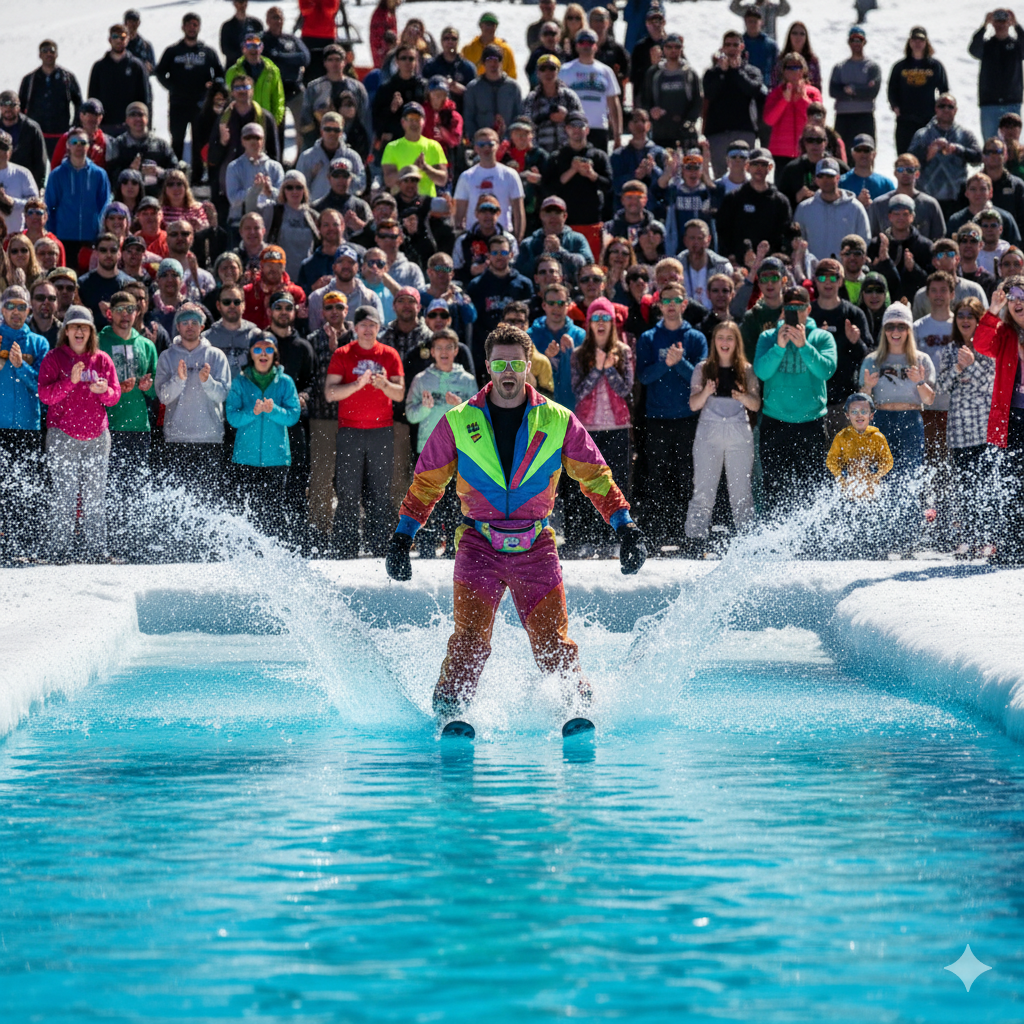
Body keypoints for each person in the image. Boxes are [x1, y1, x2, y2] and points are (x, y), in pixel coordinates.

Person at [385, 322, 646, 727]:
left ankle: (575, 710)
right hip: (478, 546)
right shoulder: (457, 421)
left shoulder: (558, 420)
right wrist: (403, 537)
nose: (508, 371)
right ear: (488, 367)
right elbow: (427, 483)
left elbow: (595, 476)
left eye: (516, 363)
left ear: (529, 367)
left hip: (536, 547)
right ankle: (450, 714)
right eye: (500, 363)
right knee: (469, 642)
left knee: (553, 644)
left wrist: (625, 526)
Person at [37, 304, 121, 563]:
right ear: (66, 331)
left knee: (95, 495)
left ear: (91, 332)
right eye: (74, 326)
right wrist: (69, 382)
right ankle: (57, 551)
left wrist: (103, 392)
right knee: (65, 494)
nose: (79, 331)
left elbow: (115, 395)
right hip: (63, 436)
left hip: (97, 437)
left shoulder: (102, 359)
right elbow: (45, 395)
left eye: (84, 327)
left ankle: (97, 551)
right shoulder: (54, 357)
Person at [323, 304, 404, 558]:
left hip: (382, 431)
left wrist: (384, 384)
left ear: (379, 328)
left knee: (380, 491)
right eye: (363, 325)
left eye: (373, 325)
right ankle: (345, 547)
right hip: (350, 431)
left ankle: (379, 545)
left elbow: (399, 393)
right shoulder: (343, 353)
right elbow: (330, 393)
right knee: (348, 491)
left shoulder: (389, 354)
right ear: (355, 328)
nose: (368, 330)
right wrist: (356, 385)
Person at [753, 285, 838, 518]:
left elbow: (826, 371)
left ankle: (812, 542)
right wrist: (779, 348)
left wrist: (804, 346)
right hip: (774, 421)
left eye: (799, 307)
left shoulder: (822, 337)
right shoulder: (768, 337)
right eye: (789, 308)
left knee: (812, 488)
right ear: (782, 310)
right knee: (774, 488)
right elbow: (761, 371)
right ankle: (774, 543)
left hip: (811, 422)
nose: (795, 312)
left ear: (808, 309)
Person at [635, 281, 707, 551]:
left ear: (684, 304)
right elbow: (643, 376)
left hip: (689, 418)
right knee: (657, 479)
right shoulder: (648, 338)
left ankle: (683, 536)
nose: (671, 305)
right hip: (657, 419)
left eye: (676, 300)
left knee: (687, 478)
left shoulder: (696, 338)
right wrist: (666, 363)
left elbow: (700, 377)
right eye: (666, 300)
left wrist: (680, 363)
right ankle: (656, 536)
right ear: (660, 305)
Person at [685, 319, 760, 545]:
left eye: (729, 338)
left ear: (736, 342)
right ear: (714, 341)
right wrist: (707, 391)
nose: (724, 342)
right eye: (721, 337)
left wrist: (742, 396)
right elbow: (694, 405)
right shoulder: (703, 367)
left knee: (741, 493)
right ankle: (695, 539)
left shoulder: (746, 369)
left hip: (738, 432)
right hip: (709, 431)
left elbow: (755, 404)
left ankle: (748, 542)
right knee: (703, 490)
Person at [568, 298, 634, 555]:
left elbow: (626, 389)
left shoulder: (624, 351)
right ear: (588, 324)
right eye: (595, 318)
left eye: (605, 318)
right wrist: (597, 368)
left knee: (616, 483)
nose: (601, 323)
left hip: (618, 426)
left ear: (613, 323)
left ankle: (615, 538)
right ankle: (587, 537)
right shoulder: (578, 354)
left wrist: (610, 369)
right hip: (588, 428)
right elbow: (579, 392)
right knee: (589, 483)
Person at [404, 328, 478, 558]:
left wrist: (462, 405)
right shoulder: (421, 379)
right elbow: (410, 415)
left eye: (449, 347)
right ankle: (426, 546)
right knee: (428, 498)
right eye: (439, 348)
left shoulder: (467, 380)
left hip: (459, 449)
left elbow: (478, 418)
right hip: (428, 448)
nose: (444, 352)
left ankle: (455, 547)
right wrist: (424, 408)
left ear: (456, 351)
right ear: (432, 352)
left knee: (457, 499)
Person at [97, 289, 158, 554]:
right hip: (105, 426)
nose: (125, 315)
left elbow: (156, 391)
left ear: (137, 312)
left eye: (130, 309)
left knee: (134, 487)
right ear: (110, 312)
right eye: (120, 309)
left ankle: (131, 542)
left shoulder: (147, 345)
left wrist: (147, 386)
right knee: (105, 486)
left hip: (138, 427)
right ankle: (106, 542)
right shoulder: (99, 341)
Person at [934, 297, 997, 556]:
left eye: (971, 315)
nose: (965, 319)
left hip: (985, 428)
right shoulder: (949, 351)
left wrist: (973, 366)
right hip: (960, 431)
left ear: (980, 320)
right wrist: (960, 366)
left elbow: (992, 385)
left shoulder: (992, 348)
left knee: (986, 487)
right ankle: (968, 539)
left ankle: (987, 538)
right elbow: (940, 389)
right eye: (961, 314)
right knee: (964, 488)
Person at [225, 331, 302, 540]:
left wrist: (273, 410)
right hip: (245, 458)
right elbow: (232, 417)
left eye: (269, 349)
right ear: (251, 352)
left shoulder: (285, 382)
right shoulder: (240, 382)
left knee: (273, 512)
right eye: (258, 349)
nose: (263, 353)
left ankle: (273, 556)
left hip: (276, 459)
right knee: (246, 511)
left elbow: (293, 416)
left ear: (275, 353)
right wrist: (254, 412)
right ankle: (247, 554)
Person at [154, 302, 232, 497]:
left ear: (202, 327)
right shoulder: (167, 356)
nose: (190, 326)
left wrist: (207, 382)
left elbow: (222, 395)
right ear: (178, 327)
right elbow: (163, 397)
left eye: (194, 322)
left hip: (209, 439)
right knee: (177, 501)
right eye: (184, 322)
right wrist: (179, 380)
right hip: (176, 440)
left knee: (208, 500)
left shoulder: (216, 356)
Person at [858, 302, 936, 486]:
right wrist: (868, 388)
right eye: (890, 326)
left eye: (901, 326)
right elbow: (861, 405)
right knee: (879, 478)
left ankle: (911, 515)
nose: (896, 331)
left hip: (910, 419)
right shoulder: (872, 360)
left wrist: (920, 382)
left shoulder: (921, 359)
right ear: (884, 330)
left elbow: (930, 400)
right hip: (881, 420)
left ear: (908, 330)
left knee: (909, 479)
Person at [0, 285, 49, 561]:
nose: (16, 312)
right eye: (11, 306)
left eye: (21, 306)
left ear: (29, 310)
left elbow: (42, 387)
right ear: (2, 309)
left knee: (27, 489)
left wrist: (21, 366)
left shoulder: (39, 344)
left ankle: (25, 546)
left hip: (28, 429)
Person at [155, 14, 225, 186]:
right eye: (188, 24)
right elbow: (159, 71)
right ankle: (174, 175)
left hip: (200, 105)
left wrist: (213, 85)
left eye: (195, 24)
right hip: (178, 103)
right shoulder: (173, 51)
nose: (192, 28)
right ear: (183, 27)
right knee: (177, 140)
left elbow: (220, 74)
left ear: (199, 27)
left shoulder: (207, 52)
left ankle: (197, 177)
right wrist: (172, 86)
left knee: (199, 142)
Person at [809, 258, 872, 436]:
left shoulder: (854, 314)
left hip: (845, 401)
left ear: (841, 281)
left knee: (845, 461)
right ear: (815, 281)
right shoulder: (808, 315)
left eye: (833, 277)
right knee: (815, 461)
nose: (827, 282)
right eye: (822, 278)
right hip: (813, 401)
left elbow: (869, 357)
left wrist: (856, 341)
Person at [825, 392, 894, 551]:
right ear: (847, 415)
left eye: (864, 411)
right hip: (849, 491)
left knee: (873, 520)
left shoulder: (878, 437)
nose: (859, 415)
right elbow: (831, 460)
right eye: (854, 412)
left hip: (872, 492)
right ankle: (850, 548)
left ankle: (876, 548)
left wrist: (876, 471)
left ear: (871, 415)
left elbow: (888, 461)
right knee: (849, 520)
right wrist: (842, 472)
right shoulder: (842, 437)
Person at [467, 235, 534, 381]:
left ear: (511, 255)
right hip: (487, 352)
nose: (499, 257)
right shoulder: (477, 286)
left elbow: (529, 321)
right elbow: (474, 323)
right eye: (495, 253)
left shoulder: (524, 285)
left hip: (518, 351)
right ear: (488, 256)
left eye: (504, 253)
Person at [43, 129, 112, 269]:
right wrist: (51, 234)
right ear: (68, 145)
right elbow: (50, 206)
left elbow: (104, 204)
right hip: (63, 237)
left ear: (88, 146)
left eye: (83, 142)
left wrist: (100, 229)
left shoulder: (99, 174)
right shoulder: (57, 175)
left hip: (91, 237)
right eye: (75, 142)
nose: (79, 146)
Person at [909, 95, 983, 221]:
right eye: (942, 106)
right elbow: (909, 162)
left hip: (956, 199)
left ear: (956, 110)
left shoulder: (965, 135)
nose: (946, 109)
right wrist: (928, 153)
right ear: (935, 109)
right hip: (928, 198)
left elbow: (978, 157)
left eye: (950, 106)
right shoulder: (923, 134)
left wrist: (958, 150)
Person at [702, 32, 764, 178]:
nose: (731, 48)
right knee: (720, 176)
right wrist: (722, 73)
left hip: (744, 131)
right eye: (728, 45)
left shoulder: (751, 71)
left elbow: (753, 90)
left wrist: (736, 72)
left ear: (742, 47)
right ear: (722, 48)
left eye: (735, 45)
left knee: (745, 176)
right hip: (718, 133)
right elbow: (709, 94)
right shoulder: (712, 73)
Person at [715, 148, 792, 264]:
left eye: (763, 164)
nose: (759, 168)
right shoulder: (734, 198)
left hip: (770, 266)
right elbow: (723, 231)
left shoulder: (780, 202)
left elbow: (785, 234)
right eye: (755, 164)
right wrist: (730, 256)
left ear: (770, 168)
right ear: (747, 167)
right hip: (738, 265)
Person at [794, 157, 871, 262]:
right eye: (821, 176)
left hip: (846, 273)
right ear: (816, 180)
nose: (825, 180)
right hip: (814, 273)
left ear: (838, 178)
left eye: (830, 176)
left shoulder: (855, 208)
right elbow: (798, 243)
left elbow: (864, 241)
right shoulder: (804, 209)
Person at [559, 29, 622, 154]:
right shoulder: (565, 70)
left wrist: (617, 135)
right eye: (582, 42)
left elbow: (613, 104)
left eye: (590, 42)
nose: (586, 46)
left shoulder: (606, 71)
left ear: (596, 46)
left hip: (599, 128)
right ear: (576, 46)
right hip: (573, 129)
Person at [17, 40, 83, 160]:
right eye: (45, 51)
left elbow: (79, 103)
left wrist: (75, 125)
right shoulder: (30, 80)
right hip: (36, 135)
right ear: (40, 55)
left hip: (61, 135)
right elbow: (20, 106)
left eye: (52, 51)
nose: (48, 54)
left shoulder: (67, 78)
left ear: (56, 54)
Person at [887, 27, 949, 155]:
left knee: (929, 157)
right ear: (909, 42)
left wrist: (941, 112)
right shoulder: (900, 66)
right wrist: (895, 106)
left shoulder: (934, 66)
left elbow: (944, 90)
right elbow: (892, 89)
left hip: (928, 119)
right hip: (905, 119)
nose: (917, 43)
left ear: (926, 43)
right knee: (905, 156)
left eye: (921, 40)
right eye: (914, 40)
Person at [262, 6, 311, 156]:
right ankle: (278, 161)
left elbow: (305, 58)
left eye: (280, 17)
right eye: (274, 17)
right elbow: (268, 59)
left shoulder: (291, 39)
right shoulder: (264, 40)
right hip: (275, 91)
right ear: (268, 20)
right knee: (276, 131)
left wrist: (281, 57)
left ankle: (299, 161)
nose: (278, 21)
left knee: (301, 129)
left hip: (295, 89)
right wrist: (290, 60)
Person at [970, 11, 1024, 142]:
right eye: (997, 22)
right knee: (991, 144)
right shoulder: (987, 45)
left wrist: (1016, 25)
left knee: (1012, 146)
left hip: (1012, 102)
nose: (1000, 25)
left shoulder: (1016, 46)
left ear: (1009, 23)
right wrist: (984, 26)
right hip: (989, 103)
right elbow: (973, 50)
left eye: (1003, 22)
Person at [88, 24, 150, 134]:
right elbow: (92, 99)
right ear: (109, 39)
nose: (119, 40)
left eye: (122, 37)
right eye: (115, 37)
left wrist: (144, 125)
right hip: (105, 126)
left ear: (128, 39)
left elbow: (145, 99)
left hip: (131, 127)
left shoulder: (137, 66)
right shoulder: (99, 67)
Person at [868, 154, 946, 241]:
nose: (905, 173)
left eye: (910, 170)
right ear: (895, 173)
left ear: (917, 174)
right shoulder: (879, 204)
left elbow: (939, 237)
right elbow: (872, 236)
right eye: (900, 169)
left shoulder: (930, 204)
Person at [828, 25, 881, 155]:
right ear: (848, 43)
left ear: (864, 42)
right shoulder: (839, 67)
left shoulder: (872, 67)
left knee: (866, 152)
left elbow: (872, 92)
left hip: (864, 116)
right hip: (843, 117)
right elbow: (833, 91)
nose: (856, 44)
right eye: (853, 40)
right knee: (841, 153)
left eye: (859, 40)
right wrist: (859, 91)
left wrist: (851, 90)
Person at [381, 102, 448, 197]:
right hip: (401, 202)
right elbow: (388, 180)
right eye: (410, 119)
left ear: (424, 122)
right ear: (403, 122)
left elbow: (442, 180)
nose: (414, 123)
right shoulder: (392, 147)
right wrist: (411, 169)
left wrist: (425, 168)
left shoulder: (434, 146)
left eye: (417, 119)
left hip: (426, 203)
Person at [764, 54, 822, 162]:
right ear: (784, 71)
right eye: (790, 68)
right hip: (781, 151)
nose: (794, 71)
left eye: (798, 67)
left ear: (803, 70)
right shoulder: (776, 94)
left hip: (807, 149)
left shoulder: (813, 92)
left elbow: (817, 119)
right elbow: (769, 120)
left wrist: (802, 100)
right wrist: (784, 101)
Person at [462, 45, 523, 143]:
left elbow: (519, 116)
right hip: (482, 144)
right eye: (489, 61)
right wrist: (476, 140)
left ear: (502, 62)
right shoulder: (473, 88)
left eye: (496, 60)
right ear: (483, 63)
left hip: (509, 143)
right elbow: (469, 118)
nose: (493, 65)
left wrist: (511, 140)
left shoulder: (512, 87)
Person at [203, 283, 262, 381]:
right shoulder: (206, 338)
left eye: (237, 302)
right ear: (218, 305)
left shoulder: (256, 336)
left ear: (244, 305)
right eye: (226, 302)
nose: (232, 306)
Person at [0, 93, 47, 193]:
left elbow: (40, 162)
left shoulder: (31, 129)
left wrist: (39, 187)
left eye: (12, 107)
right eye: (5, 107)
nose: (8, 112)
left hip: (23, 182)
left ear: (19, 107)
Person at [839, 135, 895, 205]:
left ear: (874, 154)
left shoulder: (886, 184)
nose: (863, 154)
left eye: (867, 150)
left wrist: (873, 207)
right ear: (852, 153)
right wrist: (857, 203)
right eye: (858, 150)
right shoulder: (841, 182)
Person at [461, 12, 517, 79]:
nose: (490, 28)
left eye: (493, 25)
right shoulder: (468, 49)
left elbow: (512, 74)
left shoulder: (505, 49)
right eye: (487, 24)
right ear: (480, 26)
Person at [771, 21, 820, 89]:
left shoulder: (812, 61)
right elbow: (774, 84)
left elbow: (817, 87)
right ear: (789, 36)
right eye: (794, 33)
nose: (798, 37)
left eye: (802, 34)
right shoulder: (780, 60)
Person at [221, 0, 265, 68]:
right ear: (235, 3)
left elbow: (262, 44)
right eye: (240, 2)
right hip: (235, 67)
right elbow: (226, 49)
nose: (242, 5)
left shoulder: (256, 24)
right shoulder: (227, 26)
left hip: (255, 66)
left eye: (245, 2)